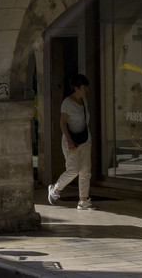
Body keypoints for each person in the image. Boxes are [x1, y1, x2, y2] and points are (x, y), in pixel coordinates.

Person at [47, 73, 93, 210]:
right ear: (77, 88)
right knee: (74, 169)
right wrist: (69, 141)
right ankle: (55, 189)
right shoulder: (67, 103)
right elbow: (63, 123)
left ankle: (83, 200)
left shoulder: (84, 101)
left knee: (86, 170)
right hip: (71, 141)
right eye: (84, 87)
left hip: (85, 139)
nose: (87, 89)